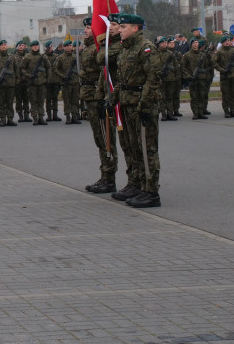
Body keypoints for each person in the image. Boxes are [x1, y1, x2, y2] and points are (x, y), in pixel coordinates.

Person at [113, 13, 164, 208]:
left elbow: (153, 79)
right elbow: (121, 80)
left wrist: (144, 105)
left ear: (135, 28)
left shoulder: (145, 48)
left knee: (146, 149)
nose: (119, 30)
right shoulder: (126, 50)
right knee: (134, 148)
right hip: (128, 104)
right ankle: (138, 185)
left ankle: (151, 192)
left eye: (123, 27)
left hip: (142, 106)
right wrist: (112, 98)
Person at [81, 17, 119, 194]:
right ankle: (105, 175)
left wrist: (101, 96)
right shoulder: (89, 48)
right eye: (86, 28)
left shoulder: (99, 49)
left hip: (100, 96)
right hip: (91, 96)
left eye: (89, 27)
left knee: (106, 139)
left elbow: (103, 74)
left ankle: (109, 177)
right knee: (100, 138)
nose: (86, 30)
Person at [214, 34, 234, 118]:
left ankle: (233, 110)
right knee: (226, 95)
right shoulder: (219, 52)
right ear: (222, 43)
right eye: (225, 41)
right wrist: (221, 70)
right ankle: (226, 111)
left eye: (228, 41)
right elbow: (214, 62)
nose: (227, 42)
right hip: (225, 77)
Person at [181, 38, 213, 119]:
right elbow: (183, 67)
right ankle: (195, 113)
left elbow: (207, 66)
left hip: (202, 78)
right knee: (194, 97)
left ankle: (201, 112)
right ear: (191, 44)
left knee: (201, 96)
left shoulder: (202, 55)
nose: (196, 44)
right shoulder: (187, 55)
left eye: (197, 43)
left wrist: (205, 75)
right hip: (192, 78)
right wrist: (188, 76)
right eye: (194, 43)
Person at [19, 40, 49, 125]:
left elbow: (48, 68)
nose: (35, 47)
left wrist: (47, 79)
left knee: (41, 101)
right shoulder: (27, 57)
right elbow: (22, 68)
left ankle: (41, 117)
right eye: (33, 46)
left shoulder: (43, 57)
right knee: (33, 101)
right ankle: (35, 118)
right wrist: (28, 76)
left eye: (37, 46)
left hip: (42, 83)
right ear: (31, 47)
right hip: (32, 83)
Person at [0, 39, 17, 127]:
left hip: (10, 84)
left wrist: (16, 81)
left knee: (10, 102)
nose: (4, 46)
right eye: (2, 45)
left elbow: (16, 70)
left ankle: (10, 119)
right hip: (0, 84)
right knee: (1, 102)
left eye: (5, 44)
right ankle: (3, 119)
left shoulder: (12, 57)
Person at [56, 40, 82, 124]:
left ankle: (74, 116)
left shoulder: (76, 57)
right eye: (66, 46)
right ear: (64, 47)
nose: (68, 47)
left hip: (75, 82)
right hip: (66, 83)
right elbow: (55, 69)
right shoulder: (60, 57)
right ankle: (67, 116)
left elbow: (81, 67)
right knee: (67, 101)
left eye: (70, 45)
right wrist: (63, 77)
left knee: (75, 101)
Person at [44, 41, 62, 122]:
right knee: (48, 98)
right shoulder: (43, 57)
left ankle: (55, 115)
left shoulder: (56, 56)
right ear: (47, 48)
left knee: (55, 98)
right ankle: (49, 115)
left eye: (52, 47)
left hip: (56, 80)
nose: (52, 48)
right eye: (50, 47)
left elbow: (59, 67)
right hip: (47, 81)